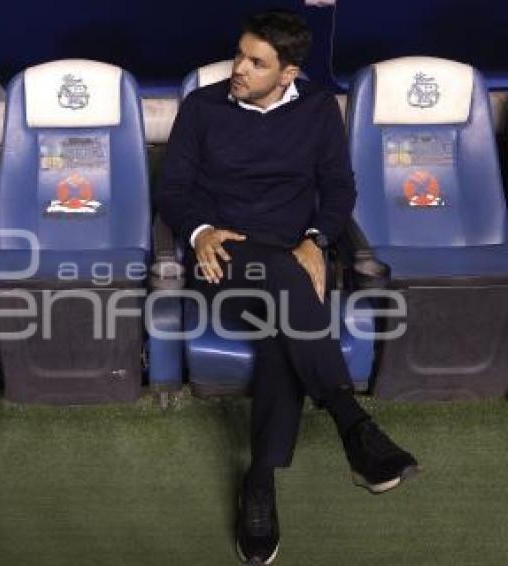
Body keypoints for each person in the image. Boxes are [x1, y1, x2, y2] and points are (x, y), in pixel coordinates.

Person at [155, 10, 419, 565]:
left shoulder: (320, 111)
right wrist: (199, 233)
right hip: (223, 264)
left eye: (257, 63)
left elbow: (338, 188)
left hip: (293, 265)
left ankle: (260, 481)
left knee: (283, 326)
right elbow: (173, 190)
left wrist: (317, 239)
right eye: (239, 55)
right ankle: (352, 423)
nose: (239, 69)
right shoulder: (201, 109)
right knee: (285, 282)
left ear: (289, 73)